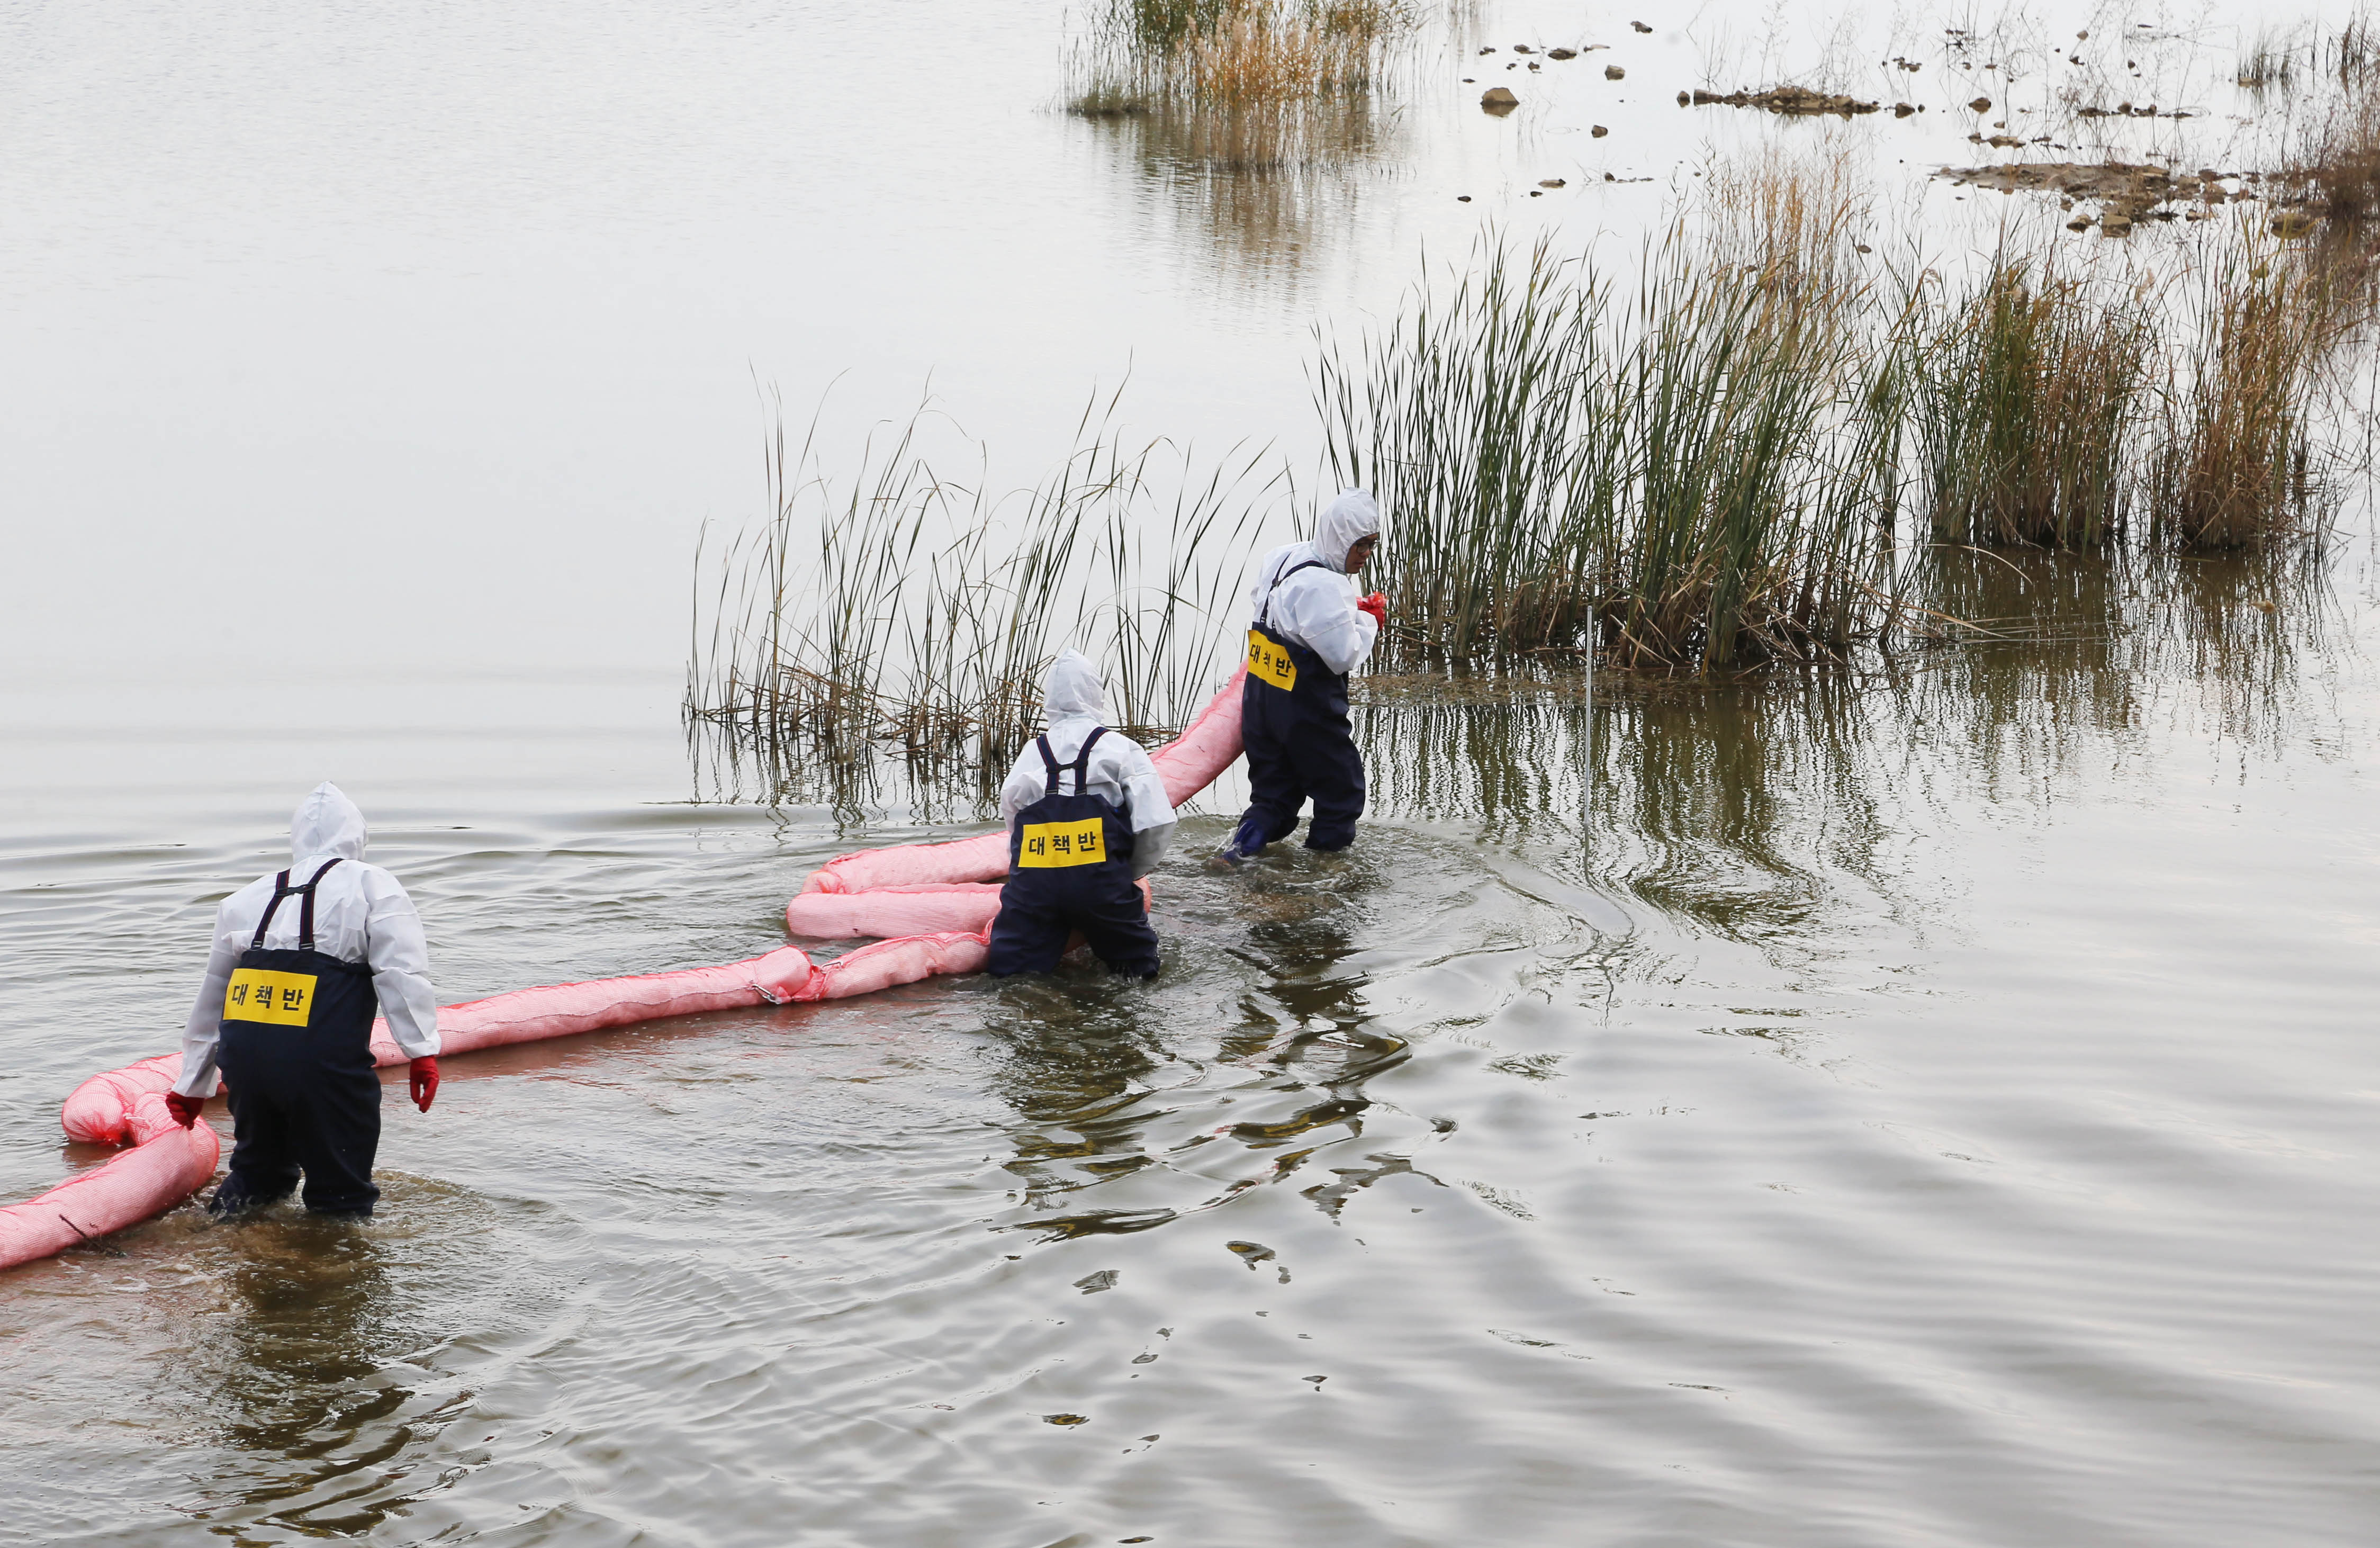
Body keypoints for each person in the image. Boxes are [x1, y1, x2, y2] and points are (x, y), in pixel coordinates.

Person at [164, 782, 440, 1218]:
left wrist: (191, 1084)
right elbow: (400, 974)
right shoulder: (372, 884)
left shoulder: (244, 898)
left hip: (246, 1058)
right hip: (321, 1061)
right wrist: (422, 1051)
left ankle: (214, 1242)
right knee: (341, 1191)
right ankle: (331, 1270)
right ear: (358, 836)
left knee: (259, 1172)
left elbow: (214, 995)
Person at [1218, 487, 1386, 861]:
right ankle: (1321, 877)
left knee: (1274, 798)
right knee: (1341, 794)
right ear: (1340, 538)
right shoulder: (1326, 585)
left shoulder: (1285, 556)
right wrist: (1369, 620)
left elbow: (1285, 612)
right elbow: (1342, 656)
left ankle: (1234, 856)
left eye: (1372, 545)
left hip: (1261, 699)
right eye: (1360, 546)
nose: (1366, 556)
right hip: (1304, 709)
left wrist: (1348, 613)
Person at [988, 651, 1178, 979]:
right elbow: (1155, 822)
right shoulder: (1120, 748)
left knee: (1013, 971)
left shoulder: (1033, 751)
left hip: (1035, 886)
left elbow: (1012, 815)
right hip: (1101, 885)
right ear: (1095, 693)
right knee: (1137, 967)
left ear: (1049, 700)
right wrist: (1130, 872)